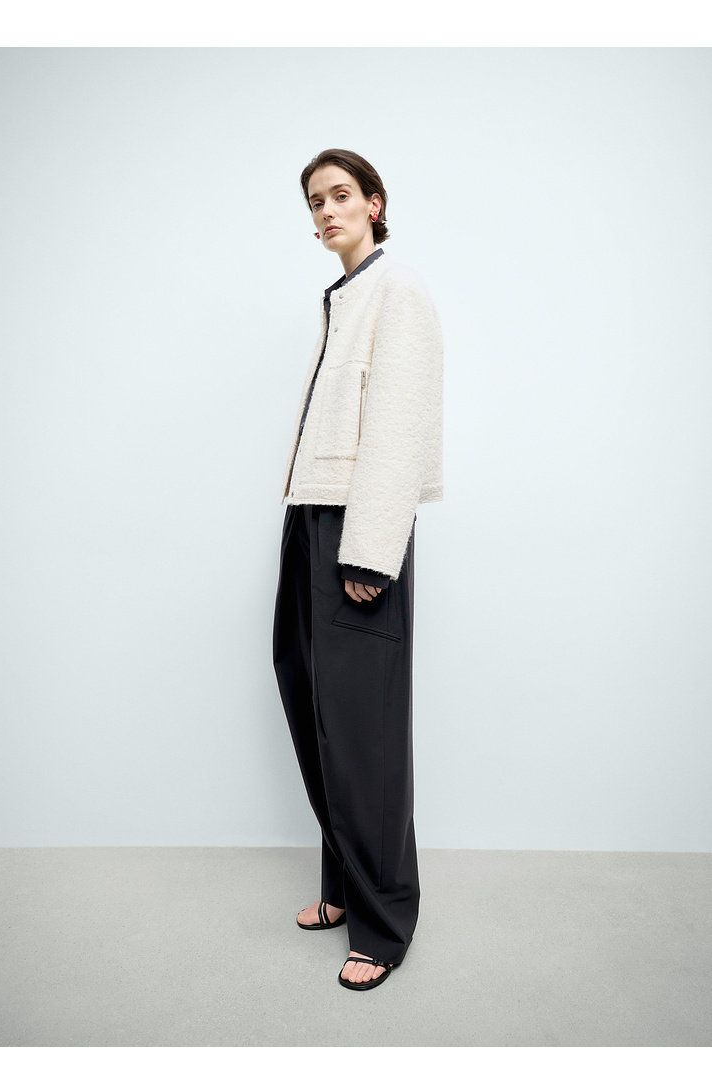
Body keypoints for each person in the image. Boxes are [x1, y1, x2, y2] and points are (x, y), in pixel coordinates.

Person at [272, 148, 443, 991]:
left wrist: (371, 550)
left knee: (363, 731)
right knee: (314, 703)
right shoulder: (342, 295)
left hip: (357, 531)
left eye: (341, 195)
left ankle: (384, 923)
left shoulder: (396, 290)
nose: (327, 210)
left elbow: (400, 424)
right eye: (316, 200)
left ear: (375, 204)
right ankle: (343, 886)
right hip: (311, 518)